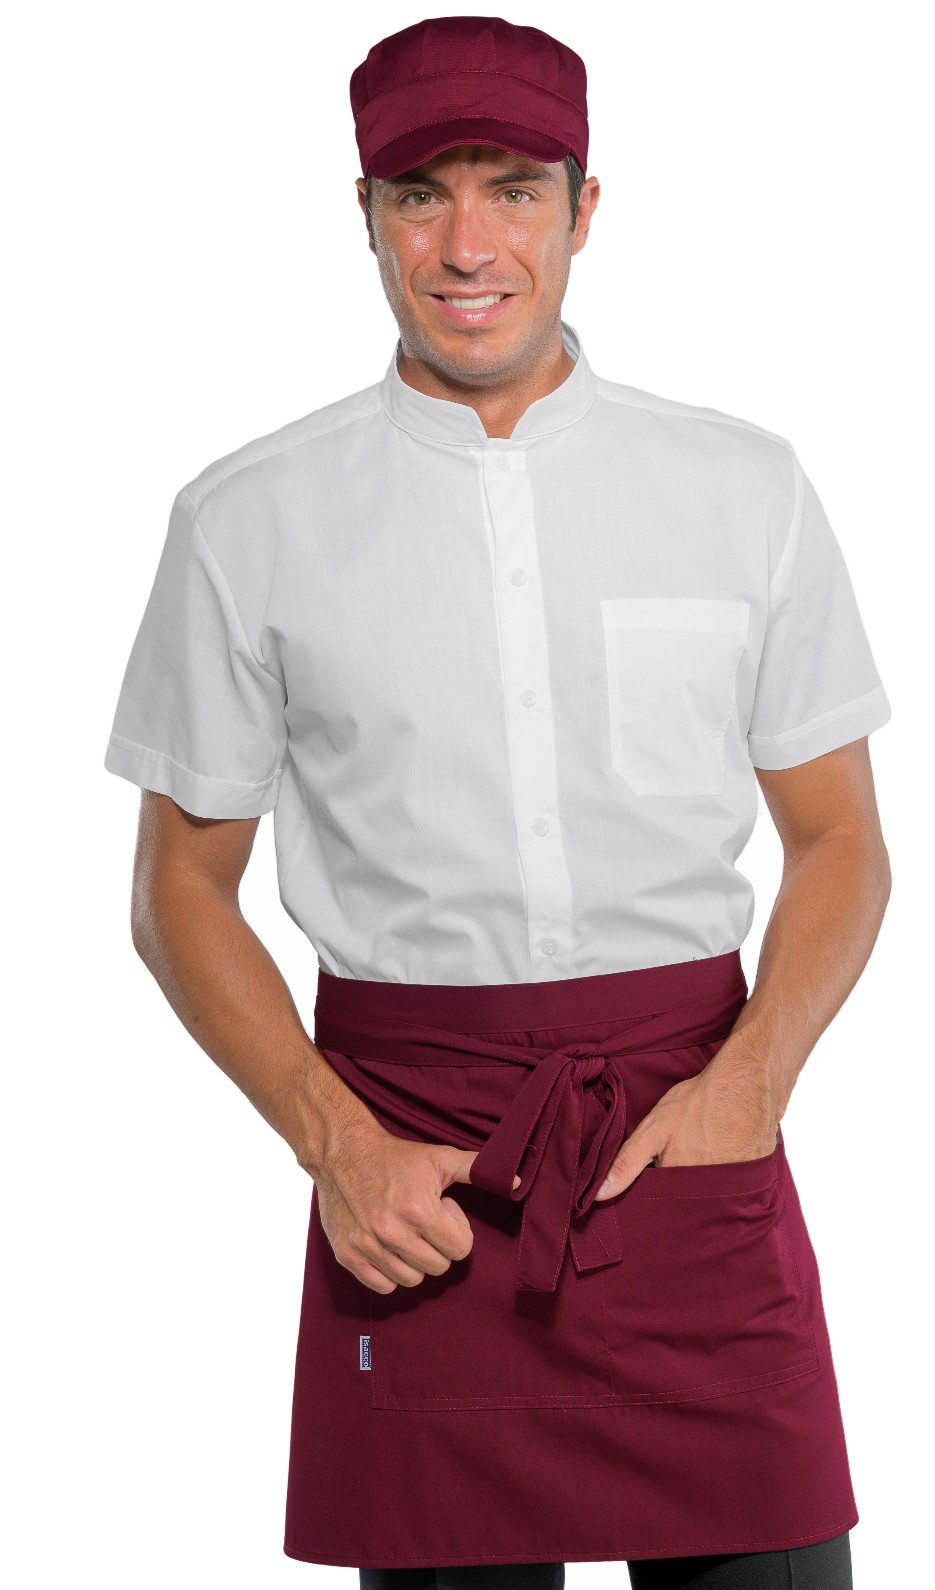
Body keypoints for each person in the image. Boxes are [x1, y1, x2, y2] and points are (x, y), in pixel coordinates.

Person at [103, 15, 891, 1590]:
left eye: (514, 189)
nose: (468, 245)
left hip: (687, 1132)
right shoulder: (246, 519)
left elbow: (842, 842)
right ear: (366, 213)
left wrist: (749, 1088)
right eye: (422, 194)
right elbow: (177, 890)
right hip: (418, 1178)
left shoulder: (745, 489)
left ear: (586, 208)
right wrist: (335, 1142)